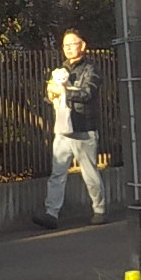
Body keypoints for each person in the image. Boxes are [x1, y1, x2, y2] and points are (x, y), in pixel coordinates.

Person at [33, 30, 107, 229]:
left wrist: (65, 90)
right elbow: (53, 95)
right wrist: (50, 94)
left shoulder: (91, 69)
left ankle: (99, 209)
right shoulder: (61, 70)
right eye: (65, 45)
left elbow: (87, 93)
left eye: (72, 44)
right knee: (57, 173)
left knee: (89, 172)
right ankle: (51, 213)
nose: (68, 48)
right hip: (63, 128)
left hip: (83, 127)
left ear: (83, 45)